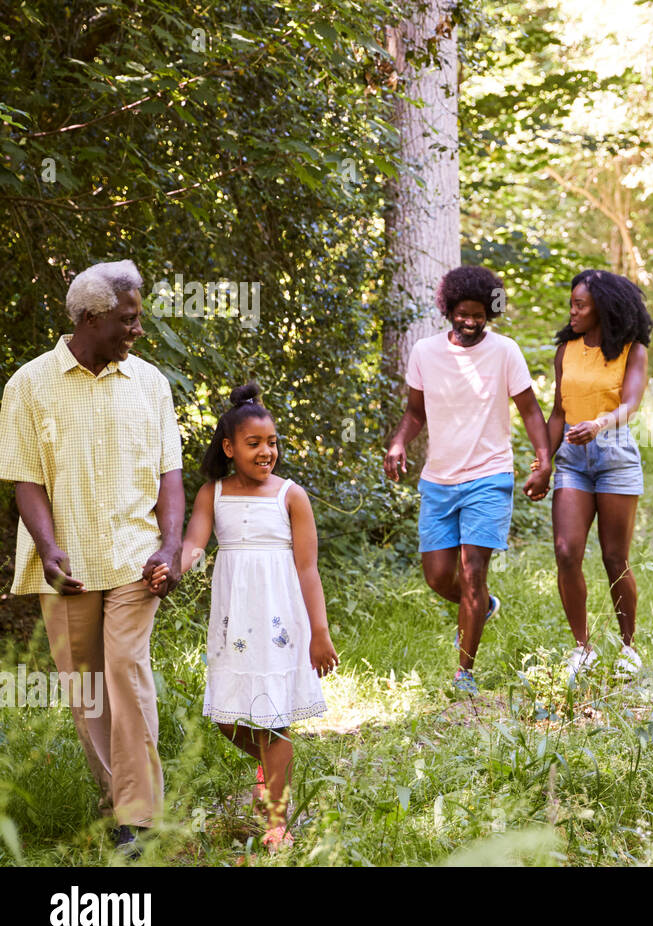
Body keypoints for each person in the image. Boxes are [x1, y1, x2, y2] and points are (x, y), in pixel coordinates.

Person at [0, 260, 183, 859]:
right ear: (90, 317)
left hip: (134, 560)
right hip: (69, 567)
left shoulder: (150, 383)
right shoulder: (28, 385)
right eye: (127, 319)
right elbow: (25, 479)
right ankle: (119, 801)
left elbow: (170, 477)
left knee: (125, 673)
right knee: (88, 689)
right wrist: (48, 548)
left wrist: (171, 545)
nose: (136, 329)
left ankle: (137, 816)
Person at [150, 383, 338, 850]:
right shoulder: (212, 494)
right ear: (229, 448)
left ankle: (278, 821)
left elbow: (308, 569)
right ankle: (269, 766)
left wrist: (320, 632)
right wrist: (172, 566)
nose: (266, 451)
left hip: (279, 620)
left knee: (274, 721)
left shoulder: (291, 496)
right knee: (227, 716)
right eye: (254, 443)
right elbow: (194, 543)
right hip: (234, 621)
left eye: (272, 442)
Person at [383, 266, 551, 696]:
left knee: (472, 571)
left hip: (489, 475)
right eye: (463, 313)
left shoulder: (505, 352)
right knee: (439, 577)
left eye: (479, 315)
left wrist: (543, 460)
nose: (471, 322)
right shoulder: (424, 352)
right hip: (438, 480)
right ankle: (483, 608)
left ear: (488, 314)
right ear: (449, 309)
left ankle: (465, 673)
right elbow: (415, 413)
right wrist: (399, 442)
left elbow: (530, 410)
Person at [545, 270, 652, 680]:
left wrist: (600, 424)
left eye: (580, 305)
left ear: (603, 308)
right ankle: (582, 648)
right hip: (572, 458)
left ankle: (628, 647)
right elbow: (558, 413)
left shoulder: (632, 349)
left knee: (614, 558)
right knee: (567, 551)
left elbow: (630, 404)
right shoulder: (566, 351)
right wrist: (542, 463)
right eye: (571, 303)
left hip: (615, 455)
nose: (572, 311)